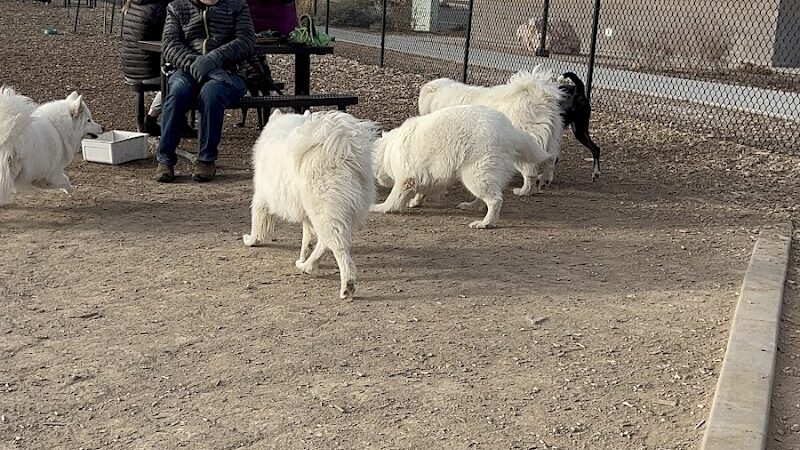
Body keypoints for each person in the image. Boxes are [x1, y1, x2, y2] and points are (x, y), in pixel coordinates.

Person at [154, 0, 255, 183]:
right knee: (178, 92)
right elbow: (169, 44)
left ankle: (206, 159)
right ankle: (165, 158)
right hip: (186, 69)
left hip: (227, 72)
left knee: (211, 92)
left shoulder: (237, 5)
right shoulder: (177, 7)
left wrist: (214, 59)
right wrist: (194, 64)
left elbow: (246, 41)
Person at [120, 0, 170, 136]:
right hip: (146, 70)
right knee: (182, 77)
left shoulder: (132, 4)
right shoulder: (159, 6)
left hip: (130, 66)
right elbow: (170, 37)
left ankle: (154, 118)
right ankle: (154, 117)